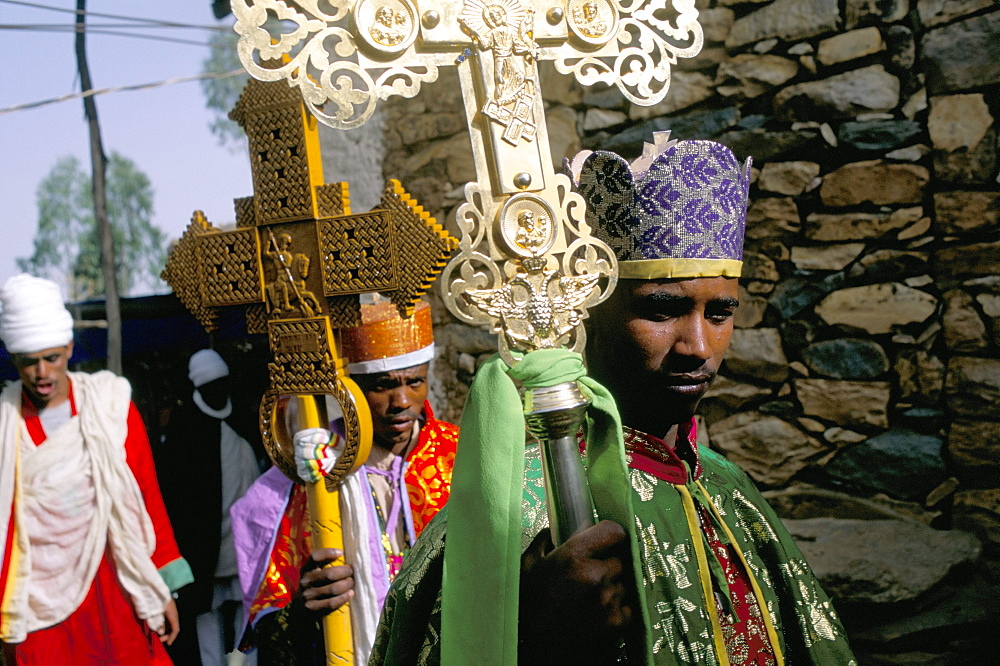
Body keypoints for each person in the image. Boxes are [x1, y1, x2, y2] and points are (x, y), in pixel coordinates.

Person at [371, 136, 857, 664]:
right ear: (589, 312)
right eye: (662, 309)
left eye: (720, 313)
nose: (698, 347)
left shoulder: (728, 488)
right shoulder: (519, 511)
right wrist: (531, 640)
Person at [231, 298, 458, 664]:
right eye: (383, 385)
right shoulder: (311, 474)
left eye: (414, 382)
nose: (401, 400)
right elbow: (270, 634)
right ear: (351, 389)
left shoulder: (460, 457)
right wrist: (304, 611)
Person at [0, 273, 194, 665]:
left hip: (115, 585)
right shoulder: (5, 426)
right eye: (28, 362)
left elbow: (145, 495)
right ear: (13, 360)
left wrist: (162, 587)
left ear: (69, 348)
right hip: (38, 600)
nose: (42, 373)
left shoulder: (110, 406)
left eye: (51, 358)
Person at [155, 349, 261, 665]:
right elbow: (176, 494)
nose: (218, 391)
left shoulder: (242, 419)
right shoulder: (184, 429)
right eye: (211, 386)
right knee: (207, 617)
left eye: (222, 384)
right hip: (205, 547)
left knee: (248, 611)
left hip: (245, 542)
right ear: (199, 389)